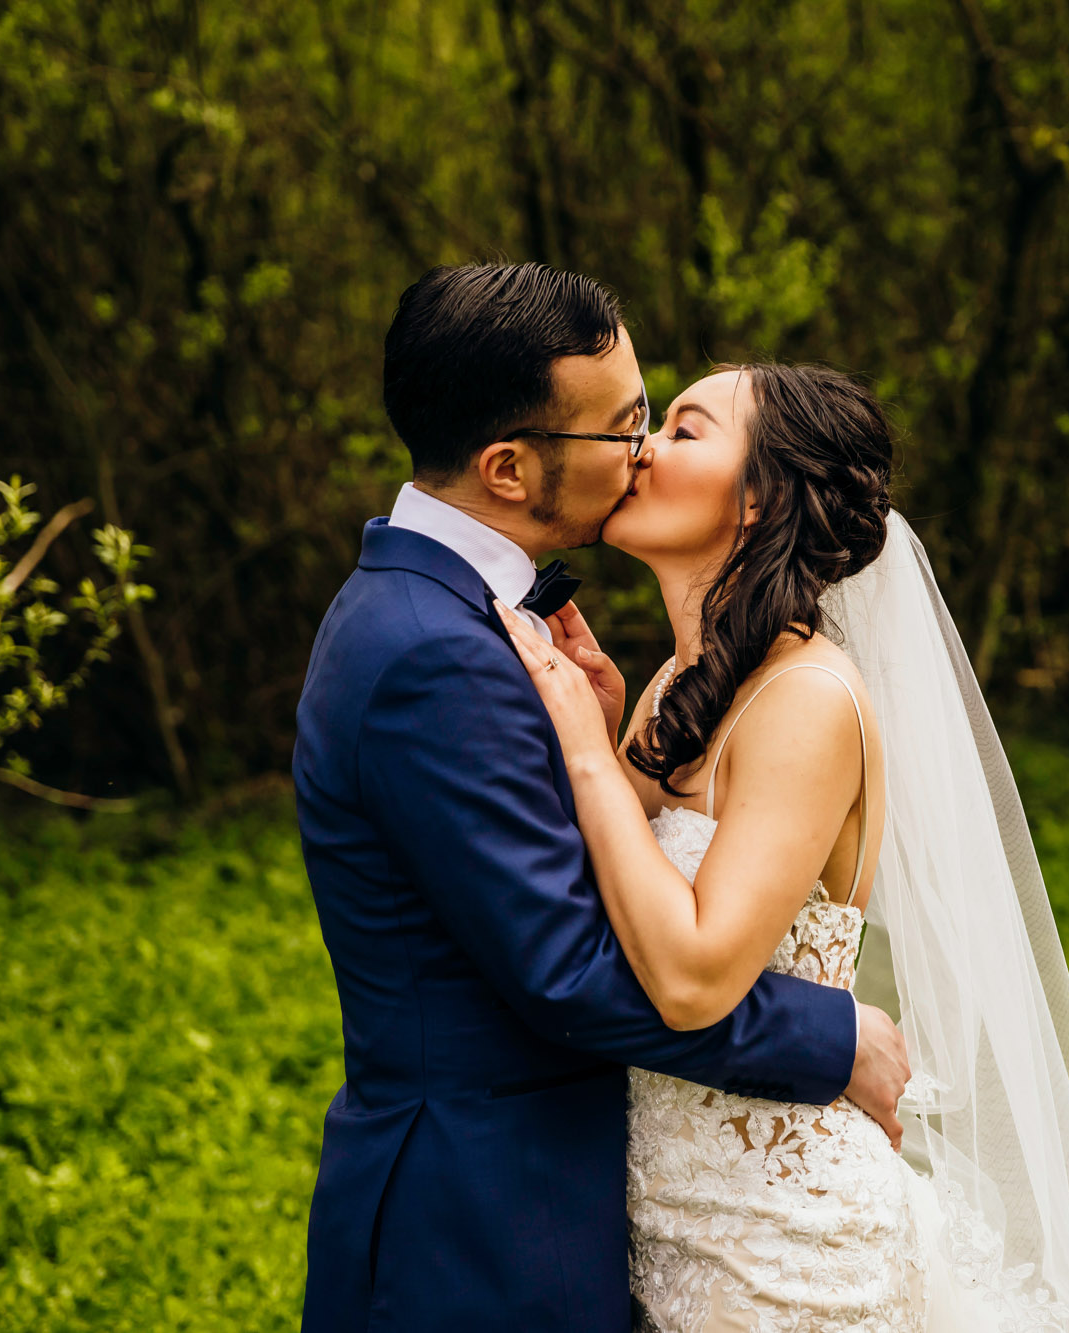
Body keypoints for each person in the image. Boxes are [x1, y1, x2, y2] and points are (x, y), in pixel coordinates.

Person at [291, 263, 913, 1333]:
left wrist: (607, 751)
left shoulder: (492, 637)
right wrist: (832, 1038)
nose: (637, 454)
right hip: (478, 1226)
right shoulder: (432, 650)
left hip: (705, 1226)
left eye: (667, 426)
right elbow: (569, 966)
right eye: (627, 426)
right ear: (506, 466)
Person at [497, 363, 1069, 1331]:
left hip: (785, 1254)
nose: (641, 447)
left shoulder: (806, 700)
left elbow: (690, 977)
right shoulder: (671, 691)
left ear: (760, 497)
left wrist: (587, 761)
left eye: (683, 430)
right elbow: (599, 906)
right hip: (660, 1234)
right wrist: (607, 736)